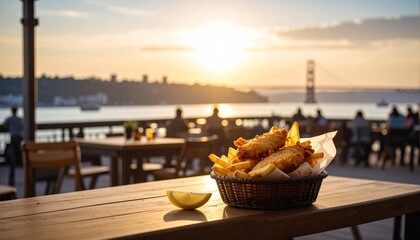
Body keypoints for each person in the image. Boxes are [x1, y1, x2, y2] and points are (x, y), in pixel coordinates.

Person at [1, 106, 23, 185]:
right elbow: (23, 127)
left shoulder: (9, 119)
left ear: (11, 111)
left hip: (13, 139)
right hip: (20, 138)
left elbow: (4, 125)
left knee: (12, 157)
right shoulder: (20, 119)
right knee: (19, 155)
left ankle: (11, 178)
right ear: (17, 111)